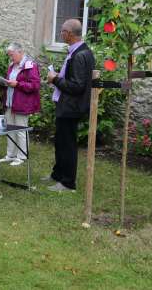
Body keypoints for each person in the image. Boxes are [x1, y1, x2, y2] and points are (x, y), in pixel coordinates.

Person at [46, 19, 95, 192]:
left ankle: (68, 182)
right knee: (60, 142)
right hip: (66, 105)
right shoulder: (77, 51)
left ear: (69, 34)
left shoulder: (80, 55)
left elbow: (77, 86)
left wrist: (55, 79)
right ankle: (57, 174)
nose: (61, 34)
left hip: (71, 107)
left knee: (67, 144)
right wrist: (60, 76)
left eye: (62, 31)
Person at [0, 43, 41, 166]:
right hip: (10, 102)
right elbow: (11, 82)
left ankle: (22, 156)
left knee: (21, 129)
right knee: (10, 129)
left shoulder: (30, 66)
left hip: (22, 103)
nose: (11, 58)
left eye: (12, 55)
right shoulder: (12, 66)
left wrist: (18, 84)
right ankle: (10, 154)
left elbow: (35, 85)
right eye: (9, 55)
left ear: (20, 52)